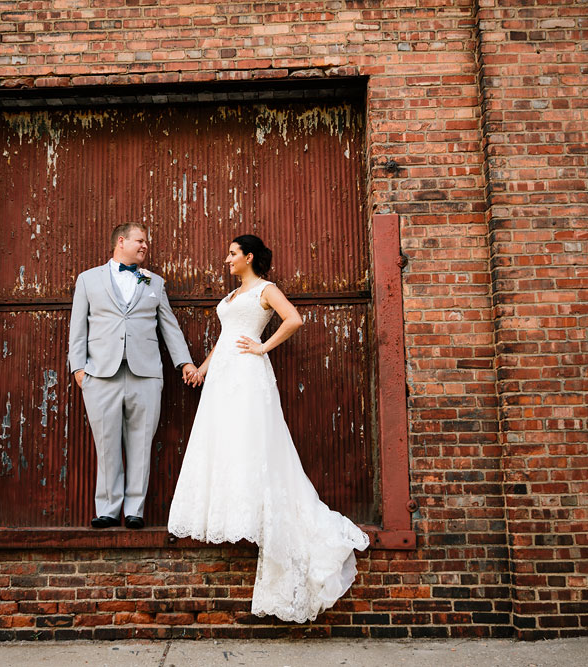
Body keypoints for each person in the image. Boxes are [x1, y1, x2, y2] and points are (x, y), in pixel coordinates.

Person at [168, 234, 370, 623]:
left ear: (248, 257)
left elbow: (294, 319)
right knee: (225, 441)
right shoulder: (231, 296)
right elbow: (225, 340)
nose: (226, 259)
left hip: (247, 374)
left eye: (231, 254)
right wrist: (202, 369)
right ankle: (234, 509)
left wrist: (262, 348)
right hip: (223, 375)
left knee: (250, 440)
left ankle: (264, 514)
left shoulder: (266, 289)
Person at [69, 223, 201, 530]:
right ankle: (107, 509)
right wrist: (78, 368)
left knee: (142, 444)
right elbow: (78, 327)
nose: (145, 246)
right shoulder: (88, 279)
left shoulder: (155, 282)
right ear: (121, 241)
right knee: (106, 443)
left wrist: (183, 363)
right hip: (101, 374)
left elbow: (169, 326)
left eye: (146, 242)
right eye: (140, 240)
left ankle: (134, 510)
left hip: (146, 375)